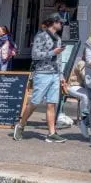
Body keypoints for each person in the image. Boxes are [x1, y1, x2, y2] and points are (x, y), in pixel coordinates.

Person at [13, 14, 67, 144]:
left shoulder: (58, 39)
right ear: (53, 22)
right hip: (42, 73)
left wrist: (61, 76)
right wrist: (53, 52)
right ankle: (20, 125)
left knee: (51, 104)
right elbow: (35, 55)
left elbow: (59, 60)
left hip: (54, 73)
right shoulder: (41, 36)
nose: (62, 25)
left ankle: (51, 133)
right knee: (35, 102)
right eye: (60, 22)